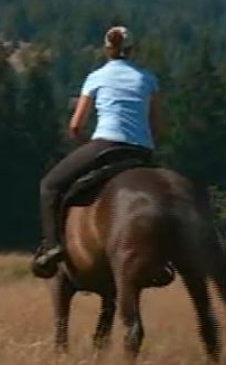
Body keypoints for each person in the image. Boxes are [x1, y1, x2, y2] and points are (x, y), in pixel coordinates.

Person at [31, 25, 162, 279]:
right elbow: (157, 125)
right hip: (141, 150)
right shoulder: (148, 79)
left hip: (105, 145)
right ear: (132, 50)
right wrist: (147, 147)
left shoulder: (96, 78)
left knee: (49, 186)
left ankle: (52, 246)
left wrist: (84, 146)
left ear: (106, 50)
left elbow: (75, 125)